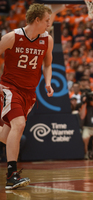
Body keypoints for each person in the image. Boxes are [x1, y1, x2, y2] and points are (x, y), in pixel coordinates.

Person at [0, 4, 54, 189]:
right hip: (10, 87)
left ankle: (12, 173)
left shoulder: (48, 40)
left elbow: (47, 64)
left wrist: (47, 82)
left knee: (6, 136)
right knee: (19, 124)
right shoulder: (12, 37)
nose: (49, 23)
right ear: (37, 19)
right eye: (47, 20)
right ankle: (11, 175)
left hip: (29, 93)